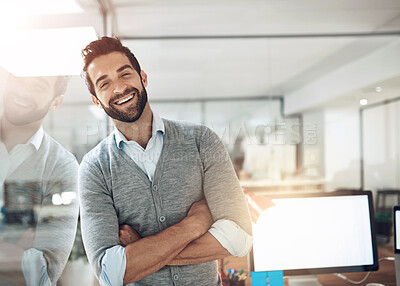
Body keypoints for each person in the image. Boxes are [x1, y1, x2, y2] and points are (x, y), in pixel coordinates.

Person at [79, 36, 252, 286]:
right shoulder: (94, 168)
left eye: (125, 74)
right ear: (97, 100)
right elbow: (111, 272)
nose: (119, 88)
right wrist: (194, 225)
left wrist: (140, 250)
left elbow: (240, 238)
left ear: (143, 77)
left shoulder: (201, 141)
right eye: (104, 83)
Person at [0, 74, 79, 285]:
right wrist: (13, 249)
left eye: (39, 86)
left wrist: (31, 263)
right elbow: (27, 264)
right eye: (19, 78)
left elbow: (44, 271)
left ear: (56, 102)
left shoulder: (61, 167)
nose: (24, 90)